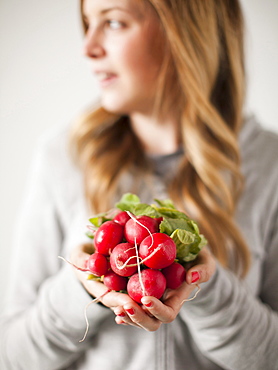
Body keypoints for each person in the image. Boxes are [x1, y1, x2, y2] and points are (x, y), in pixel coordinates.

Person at [1, 0, 278, 369]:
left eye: (114, 23)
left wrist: (209, 293)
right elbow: (12, 357)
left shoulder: (270, 165)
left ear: (184, 34)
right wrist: (84, 288)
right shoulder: (62, 156)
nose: (88, 47)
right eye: (87, 23)